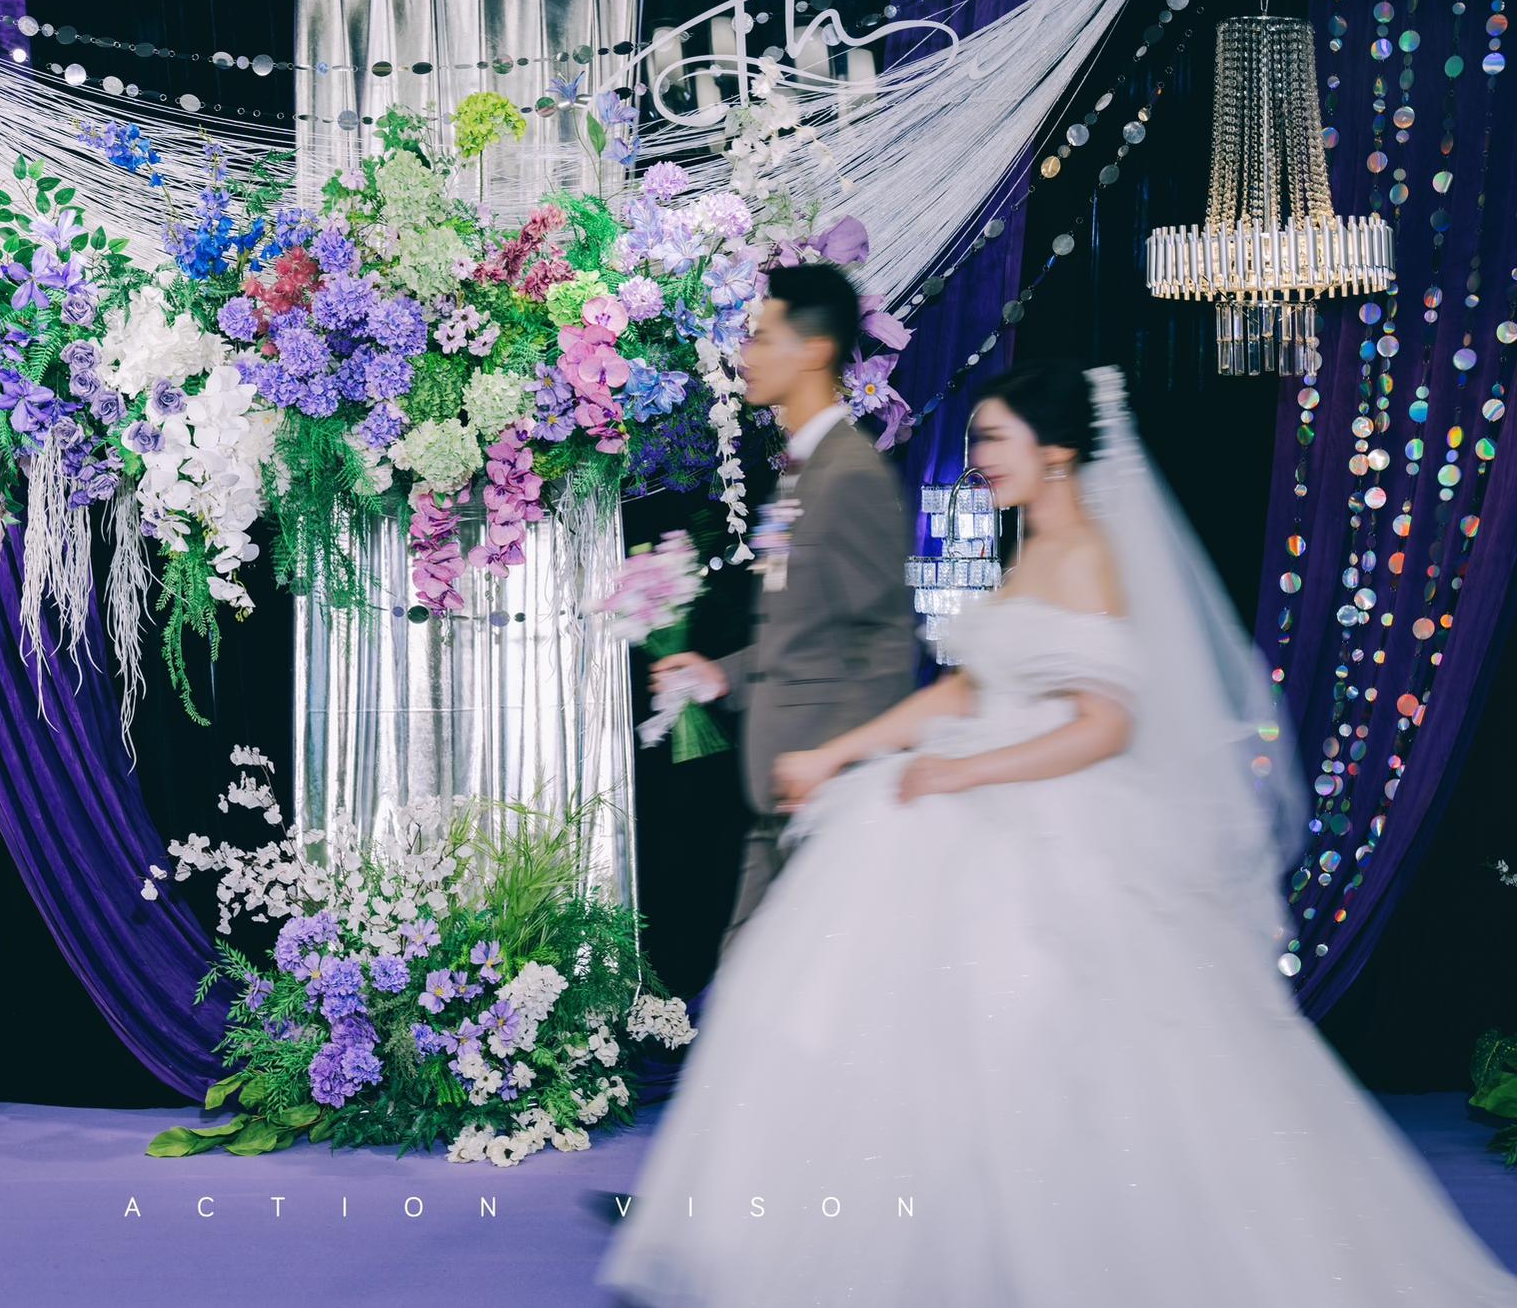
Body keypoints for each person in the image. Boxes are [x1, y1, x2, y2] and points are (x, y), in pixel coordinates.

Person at [599, 362, 1517, 1307]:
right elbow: (967, 689)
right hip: (967, 784)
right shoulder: (1030, 549)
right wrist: (840, 751)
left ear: (1060, 450)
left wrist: (965, 771)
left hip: (1058, 817)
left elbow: (1105, 727)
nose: (981, 456)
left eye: (996, 438)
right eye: (979, 439)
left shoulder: (1088, 556)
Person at [653, 263, 917, 956]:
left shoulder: (851, 474)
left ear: (815, 351)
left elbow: (887, 643)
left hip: (823, 804)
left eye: (764, 338)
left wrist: (833, 762)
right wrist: (722, 673)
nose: (747, 353)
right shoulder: (803, 469)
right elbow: (805, 628)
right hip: (778, 800)